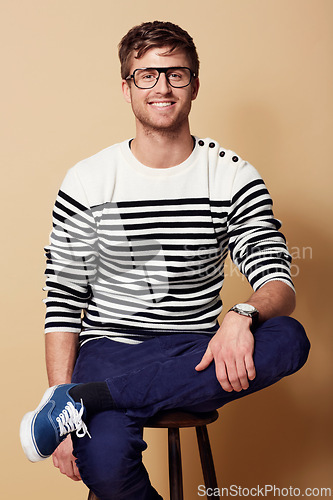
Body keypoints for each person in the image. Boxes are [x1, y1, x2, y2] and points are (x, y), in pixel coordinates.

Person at [20, 20, 310, 500]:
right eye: (147, 75)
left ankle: (87, 401)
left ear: (195, 84)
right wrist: (58, 392)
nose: (162, 87)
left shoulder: (232, 177)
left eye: (176, 74)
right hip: (111, 349)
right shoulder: (89, 182)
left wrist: (241, 315)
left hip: (196, 351)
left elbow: (277, 280)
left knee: (288, 337)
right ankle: (75, 401)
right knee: (108, 464)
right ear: (126, 88)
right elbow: (63, 298)